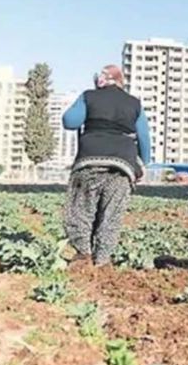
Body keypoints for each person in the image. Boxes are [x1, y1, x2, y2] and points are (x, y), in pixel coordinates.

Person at [61, 65, 151, 266]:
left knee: (81, 210)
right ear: (121, 82)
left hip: (89, 161)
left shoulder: (89, 96)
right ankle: (102, 261)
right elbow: (144, 137)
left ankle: (82, 253)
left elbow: (70, 121)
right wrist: (143, 163)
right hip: (122, 166)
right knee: (111, 215)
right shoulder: (134, 103)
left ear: (100, 81)